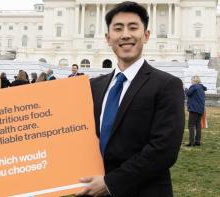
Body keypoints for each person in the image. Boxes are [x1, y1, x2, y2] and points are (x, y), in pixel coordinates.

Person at [77, 2, 185, 197]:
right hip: (93, 190)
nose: (125, 34)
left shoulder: (167, 85)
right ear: (108, 38)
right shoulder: (94, 86)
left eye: (133, 27)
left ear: (146, 35)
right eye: (118, 29)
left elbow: (164, 150)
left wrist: (110, 183)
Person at [185, 75, 207, 146]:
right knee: (198, 125)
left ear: (194, 81)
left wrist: (185, 89)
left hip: (194, 109)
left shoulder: (194, 86)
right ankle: (198, 141)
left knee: (191, 125)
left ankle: (191, 142)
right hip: (201, 109)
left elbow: (188, 93)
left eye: (191, 80)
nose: (191, 82)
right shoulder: (201, 88)